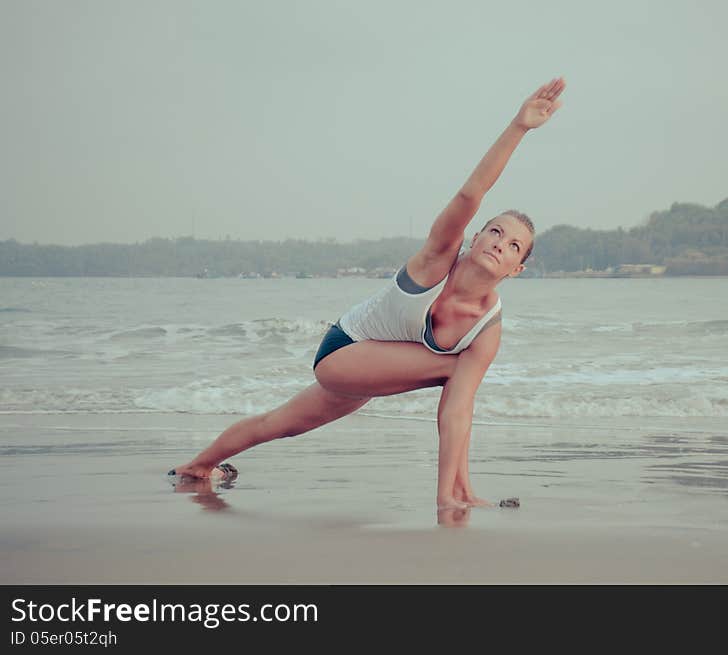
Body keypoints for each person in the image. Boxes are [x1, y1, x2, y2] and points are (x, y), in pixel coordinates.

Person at [169, 77, 566, 510]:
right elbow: (472, 192)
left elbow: (457, 414)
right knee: (456, 372)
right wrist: (519, 127)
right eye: (494, 231)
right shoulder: (437, 258)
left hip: (369, 376)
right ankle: (453, 495)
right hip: (343, 351)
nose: (499, 243)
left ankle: (197, 466)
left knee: (278, 424)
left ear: (517, 269)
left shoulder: (487, 330)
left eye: (513, 246)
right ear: (474, 237)